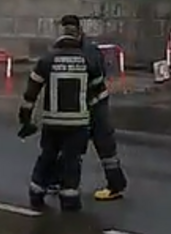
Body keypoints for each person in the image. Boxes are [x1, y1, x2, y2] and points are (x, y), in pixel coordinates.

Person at [18, 18, 107, 212]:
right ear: (77, 35)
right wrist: (95, 120)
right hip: (78, 124)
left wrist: (25, 120)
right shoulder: (87, 61)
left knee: (47, 156)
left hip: (52, 123)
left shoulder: (47, 60)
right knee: (72, 160)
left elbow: (30, 94)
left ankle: (36, 193)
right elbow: (99, 93)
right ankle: (69, 200)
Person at [46, 14, 128, 201]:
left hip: (94, 105)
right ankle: (58, 180)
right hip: (80, 106)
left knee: (103, 146)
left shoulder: (87, 51)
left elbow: (94, 76)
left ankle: (115, 185)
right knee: (72, 147)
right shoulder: (68, 49)